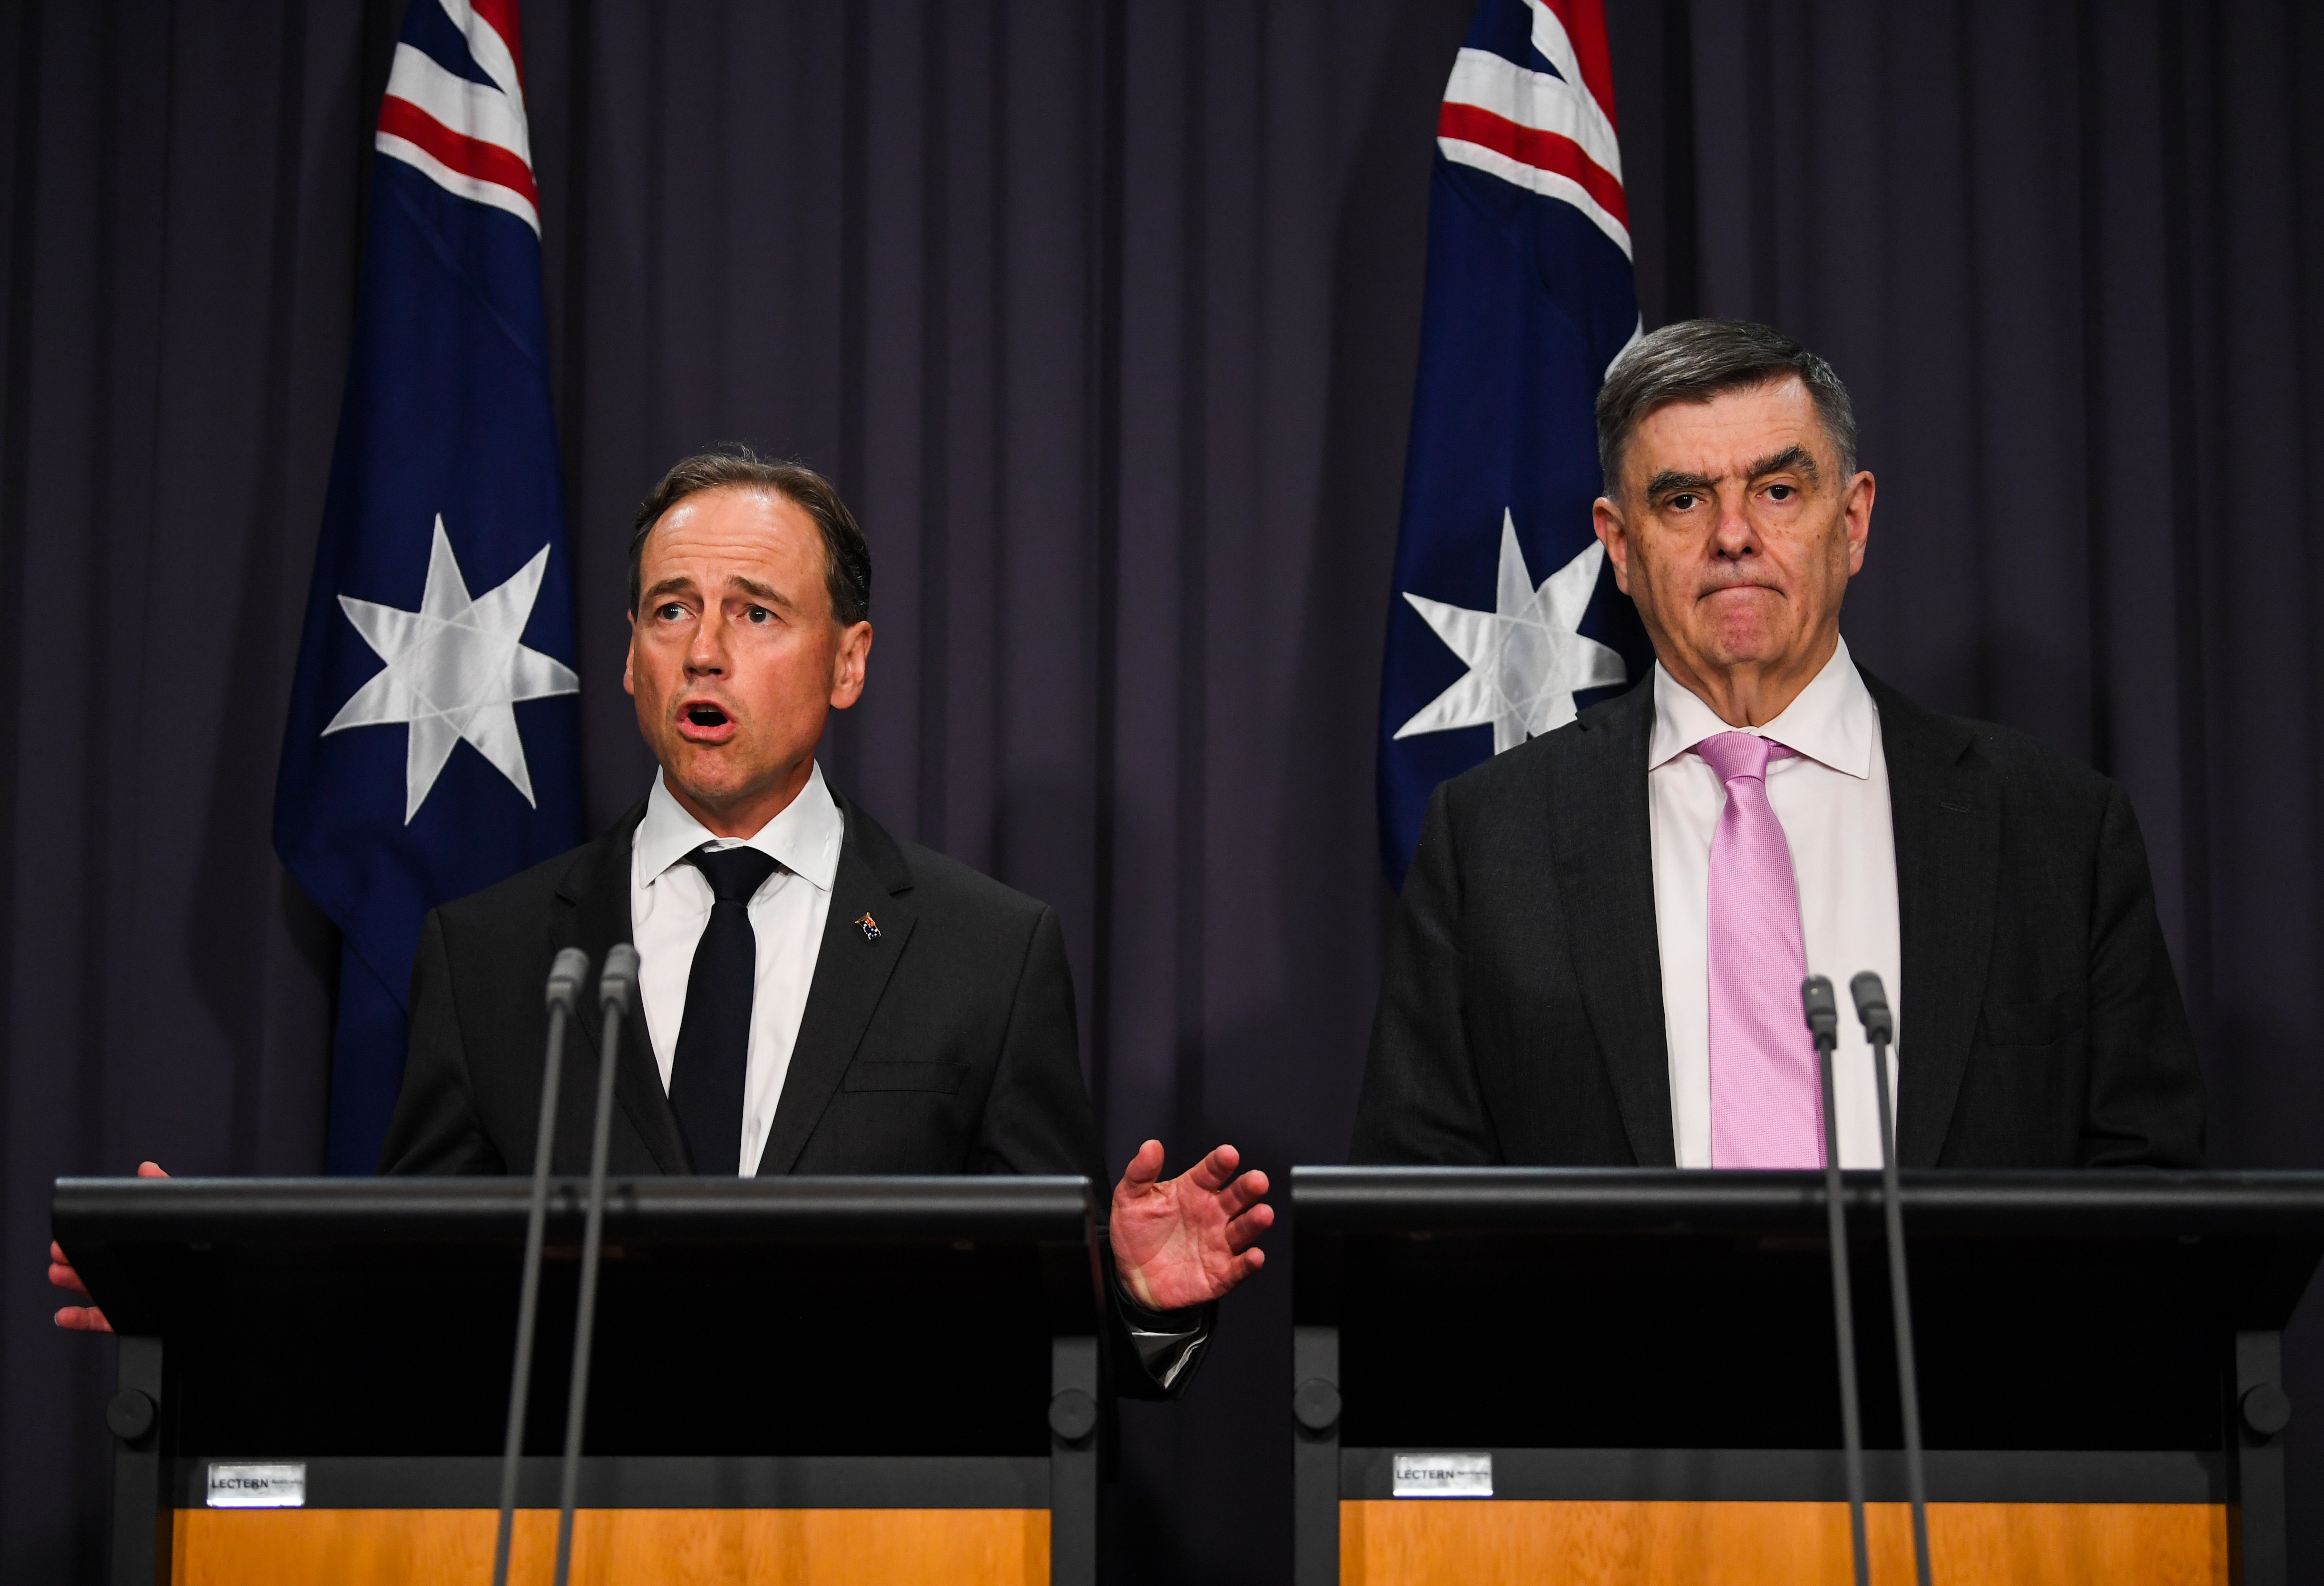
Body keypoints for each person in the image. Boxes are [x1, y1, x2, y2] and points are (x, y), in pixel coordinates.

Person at [56, 446, 1271, 1394]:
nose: (703, 652)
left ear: (847, 661)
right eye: (668, 611)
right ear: (629, 659)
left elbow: (1042, 1354)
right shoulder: (489, 952)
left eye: (754, 613)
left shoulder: (986, 951)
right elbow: (419, 1315)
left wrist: (1133, 1298)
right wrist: (216, 1323)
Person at [1353, 319, 2205, 1171]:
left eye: (1778, 491)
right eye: (1683, 499)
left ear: (1854, 519)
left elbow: (2153, 1194)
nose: (1733, 535)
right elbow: (1418, 1216)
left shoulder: (2056, 832)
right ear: (1619, 545)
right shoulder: (1490, 840)